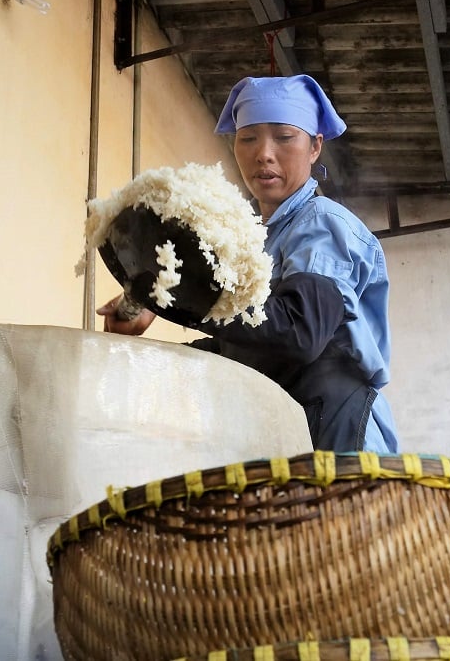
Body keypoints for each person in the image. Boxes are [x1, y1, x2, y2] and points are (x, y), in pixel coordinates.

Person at [99, 74, 399, 454]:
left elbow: (298, 331)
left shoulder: (323, 224)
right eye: (249, 138)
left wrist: (175, 296)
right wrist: (146, 345)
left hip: (338, 435)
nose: (264, 153)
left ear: (315, 147)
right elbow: (241, 350)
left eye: (284, 137)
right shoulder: (257, 242)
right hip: (282, 433)